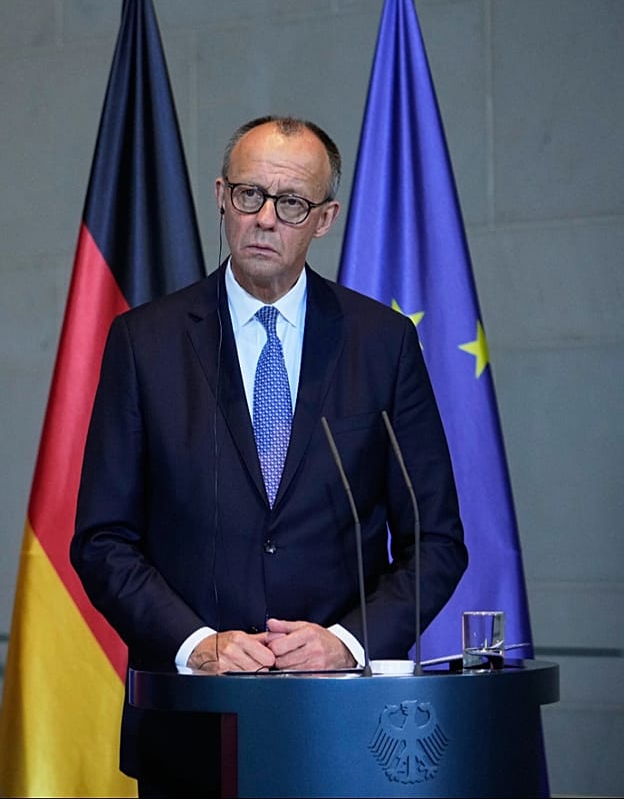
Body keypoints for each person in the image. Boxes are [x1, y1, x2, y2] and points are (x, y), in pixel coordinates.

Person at [71, 115, 467, 795]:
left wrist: (347, 642)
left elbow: (437, 540)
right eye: (250, 194)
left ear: (325, 218)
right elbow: (103, 539)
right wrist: (197, 645)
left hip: (343, 722)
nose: (265, 219)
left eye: (291, 204)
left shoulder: (383, 343)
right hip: (191, 724)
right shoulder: (145, 342)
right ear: (221, 195)